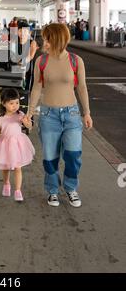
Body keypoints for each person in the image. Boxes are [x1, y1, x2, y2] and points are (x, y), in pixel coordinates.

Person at [24, 23, 93, 208]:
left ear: (56, 39)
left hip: (71, 115)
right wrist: (30, 113)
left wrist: (86, 113)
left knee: (73, 155)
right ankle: (52, 190)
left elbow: (82, 87)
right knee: (49, 157)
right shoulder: (41, 61)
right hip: (48, 116)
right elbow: (36, 88)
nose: (43, 41)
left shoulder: (75, 60)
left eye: (46, 38)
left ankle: (71, 188)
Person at [0, 88, 34, 202]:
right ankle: (6, 184)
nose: (15, 106)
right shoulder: (0, 117)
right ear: (4, 103)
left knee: (18, 168)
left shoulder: (20, 115)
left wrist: (27, 122)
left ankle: (18, 190)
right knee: (6, 167)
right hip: (5, 144)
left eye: (17, 103)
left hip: (18, 144)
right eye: (11, 103)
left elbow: (29, 127)